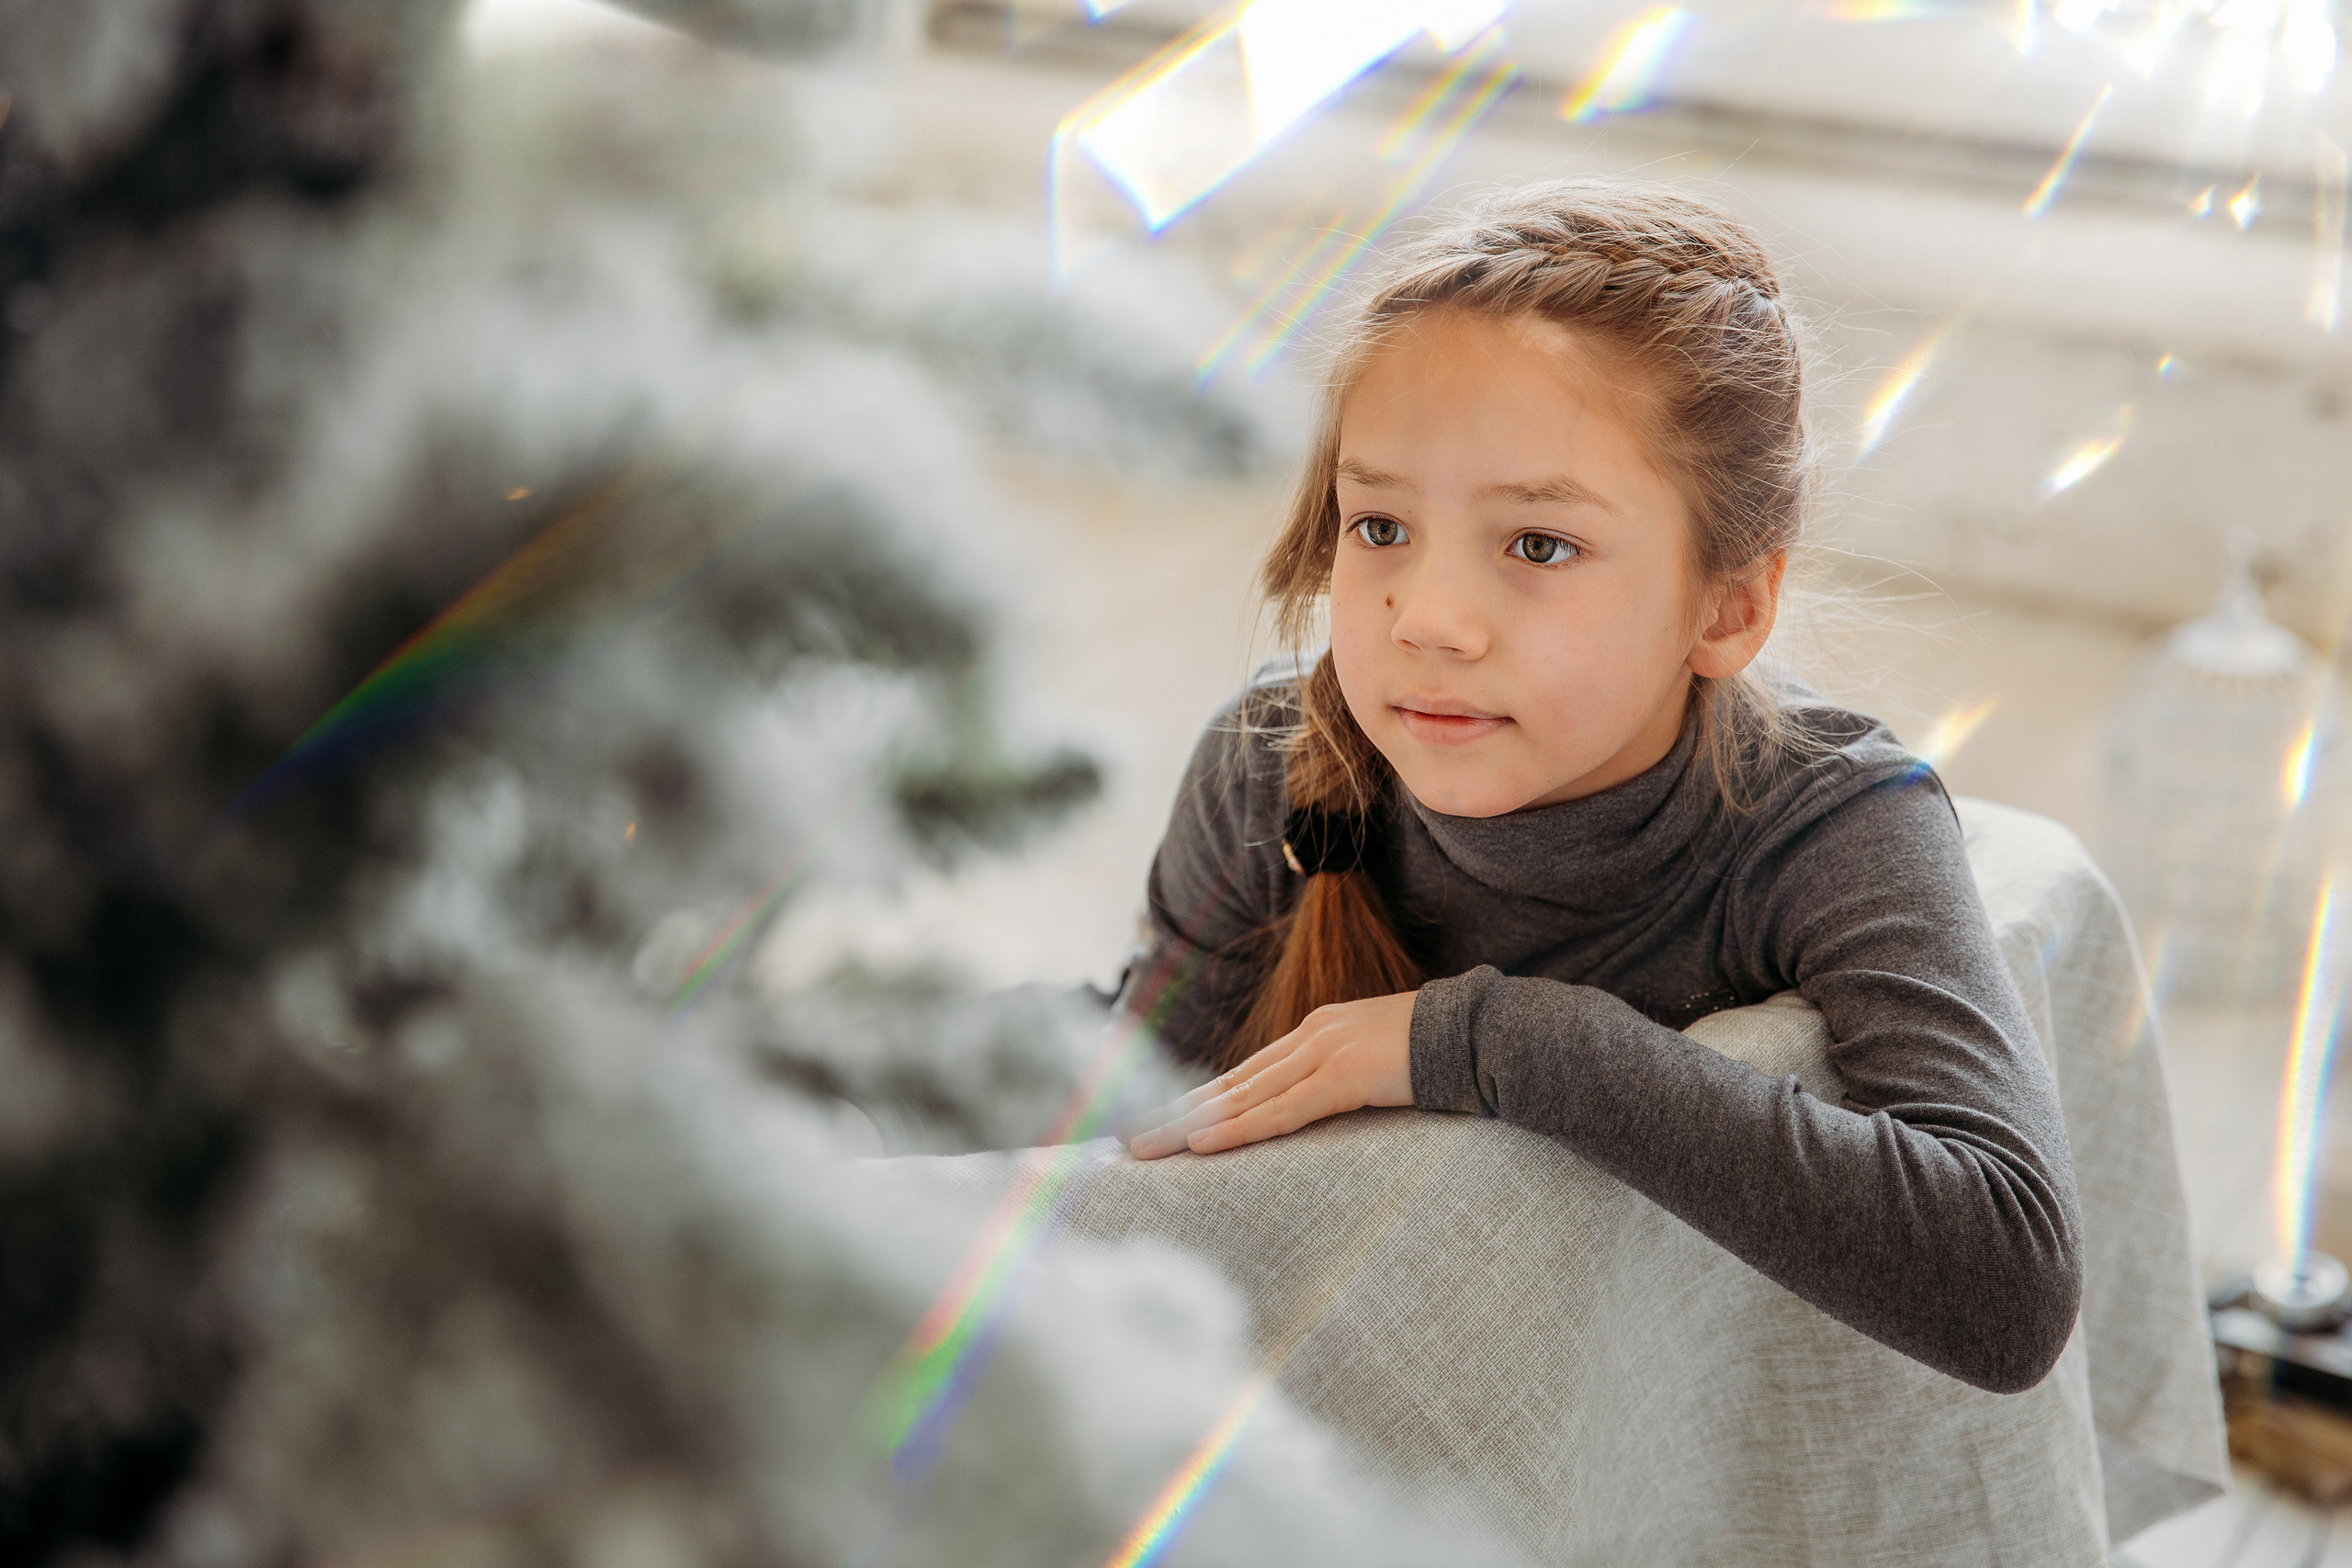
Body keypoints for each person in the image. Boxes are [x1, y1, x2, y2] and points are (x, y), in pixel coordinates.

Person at [1115, 179, 2082, 1396]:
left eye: (1538, 545)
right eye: (1379, 528)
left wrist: (1486, 1040)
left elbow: (2007, 1283)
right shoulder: (1270, 764)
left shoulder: (1830, 829)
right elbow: (1109, 1124)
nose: (1431, 620)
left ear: (1729, 604)